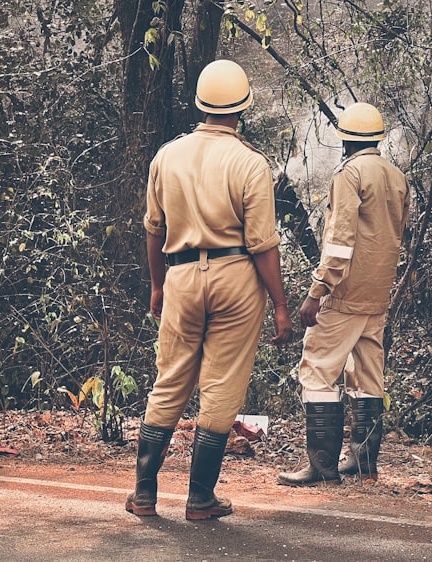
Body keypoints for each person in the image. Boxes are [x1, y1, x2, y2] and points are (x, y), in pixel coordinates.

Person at [125, 59, 292, 521]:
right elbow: (262, 243)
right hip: (235, 276)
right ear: (243, 108)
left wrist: (157, 285)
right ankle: (200, 498)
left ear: (200, 104)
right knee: (220, 387)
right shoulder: (251, 163)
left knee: (170, 379)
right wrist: (280, 305)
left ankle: (143, 494)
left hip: (179, 275)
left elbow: (153, 230)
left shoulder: (167, 156)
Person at [278, 102, 410, 487]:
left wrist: (317, 291)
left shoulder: (350, 175)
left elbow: (340, 241)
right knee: (369, 376)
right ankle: (363, 462)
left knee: (317, 370)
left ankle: (322, 467)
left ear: (345, 140)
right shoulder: (396, 176)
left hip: (345, 292)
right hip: (378, 293)